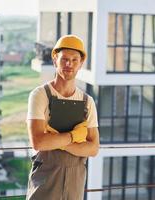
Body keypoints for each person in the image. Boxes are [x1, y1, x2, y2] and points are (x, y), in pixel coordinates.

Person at [26, 35, 100, 200]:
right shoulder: (40, 95)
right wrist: (74, 137)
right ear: (55, 60)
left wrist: (57, 141)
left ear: (81, 63)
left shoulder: (87, 102)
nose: (69, 64)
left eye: (74, 60)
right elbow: (39, 142)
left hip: (76, 181)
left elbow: (94, 148)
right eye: (64, 59)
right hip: (46, 178)